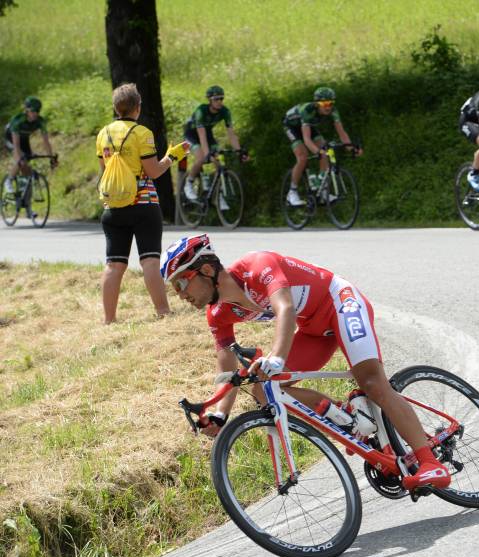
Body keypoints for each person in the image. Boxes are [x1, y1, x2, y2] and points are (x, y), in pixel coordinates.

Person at [160, 235, 451, 490]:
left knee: (373, 382)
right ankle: (346, 419)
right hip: (314, 329)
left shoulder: (257, 266)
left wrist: (277, 357)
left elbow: (284, 307)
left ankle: (429, 462)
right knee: (263, 391)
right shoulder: (218, 313)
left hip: (340, 302)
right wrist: (221, 414)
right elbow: (226, 365)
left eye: (182, 283)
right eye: (175, 288)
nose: (181, 295)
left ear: (207, 270)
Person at [96, 83, 188, 324]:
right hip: (143, 203)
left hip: (113, 206)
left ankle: (109, 320)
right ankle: (163, 312)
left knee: (114, 265)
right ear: (137, 107)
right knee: (149, 260)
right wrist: (173, 157)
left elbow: (106, 172)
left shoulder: (102, 134)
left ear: (116, 107)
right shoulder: (142, 133)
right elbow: (154, 171)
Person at [282, 86, 359, 206]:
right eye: (325, 103)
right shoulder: (307, 110)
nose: (328, 106)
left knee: (326, 150)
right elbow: (307, 140)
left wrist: (351, 147)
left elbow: (341, 132)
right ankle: (292, 192)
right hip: (292, 127)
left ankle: (321, 189)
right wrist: (318, 152)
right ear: (317, 103)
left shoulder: (333, 110)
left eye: (331, 103)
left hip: (308, 126)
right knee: (303, 156)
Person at [182, 85, 247, 204]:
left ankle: (219, 193)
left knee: (218, 162)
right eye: (216, 99)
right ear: (210, 100)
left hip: (207, 134)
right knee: (201, 158)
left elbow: (231, 134)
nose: (219, 102)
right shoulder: (201, 111)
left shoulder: (225, 111)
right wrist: (207, 154)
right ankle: (189, 183)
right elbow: (201, 136)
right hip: (191, 134)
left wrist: (239, 151)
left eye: (221, 99)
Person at [4, 96, 57, 197]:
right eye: (32, 111)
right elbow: (16, 145)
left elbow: (46, 142)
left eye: (37, 111)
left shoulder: (40, 121)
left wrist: (51, 158)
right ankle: (9, 180)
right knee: (21, 161)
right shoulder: (18, 120)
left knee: (27, 173)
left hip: (24, 139)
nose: (35, 114)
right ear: (26, 110)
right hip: (11, 138)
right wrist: (20, 158)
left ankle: (26, 204)